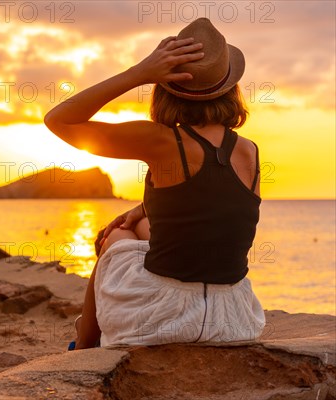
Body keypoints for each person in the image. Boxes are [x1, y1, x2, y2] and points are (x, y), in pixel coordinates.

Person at [44, 18, 265, 349]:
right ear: (228, 88)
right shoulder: (249, 151)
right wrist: (144, 208)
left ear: (164, 88)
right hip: (231, 319)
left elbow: (58, 119)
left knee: (114, 235)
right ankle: (89, 335)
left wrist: (138, 72)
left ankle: (85, 343)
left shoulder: (161, 141)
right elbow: (216, 206)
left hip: (166, 318)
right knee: (143, 224)